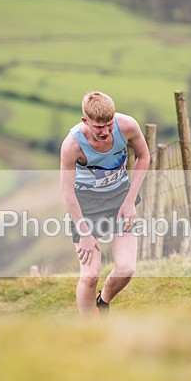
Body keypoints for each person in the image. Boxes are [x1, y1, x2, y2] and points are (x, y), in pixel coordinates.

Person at [60, 91, 150, 316]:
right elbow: (67, 192)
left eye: (109, 125)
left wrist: (130, 201)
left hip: (120, 198)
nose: (106, 131)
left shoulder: (127, 125)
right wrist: (85, 232)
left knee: (127, 268)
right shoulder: (72, 146)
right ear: (85, 121)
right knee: (90, 275)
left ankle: (104, 301)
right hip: (86, 206)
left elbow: (144, 157)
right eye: (99, 127)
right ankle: (89, 331)